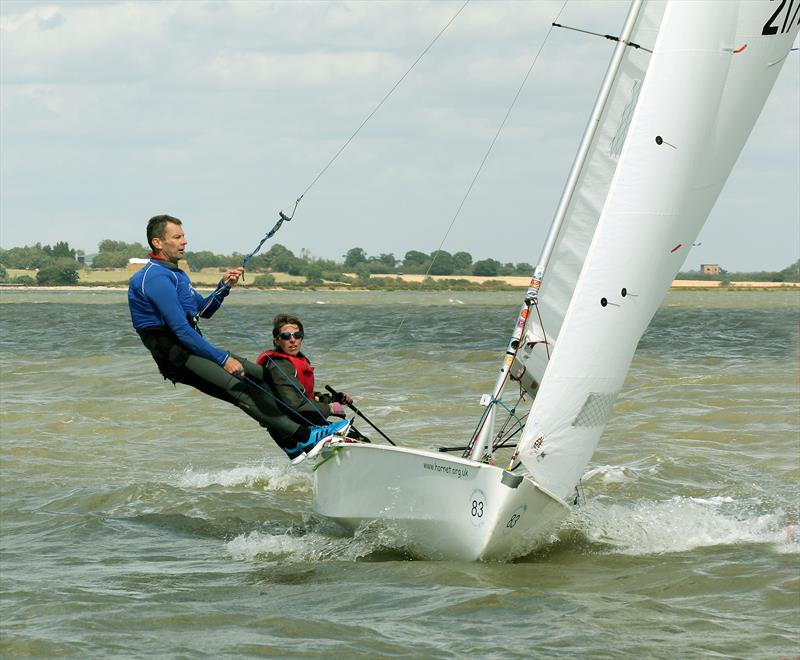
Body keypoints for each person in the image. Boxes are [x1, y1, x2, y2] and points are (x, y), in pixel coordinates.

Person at [128, 214, 346, 462]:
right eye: (177, 237)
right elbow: (181, 330)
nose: (184, 241)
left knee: (265, 377)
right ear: (158, 242)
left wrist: (224, 288)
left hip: (190, 347)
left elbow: (202, 311)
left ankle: (295, 442)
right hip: (176, 355)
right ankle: (305, 435)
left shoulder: (177, 274)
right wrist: (223, 360)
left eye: (183, 236)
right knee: (241, 388)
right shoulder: (154, 278)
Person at [257, 314, 353, 454]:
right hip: (290, 433)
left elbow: (304, 396)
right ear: (277, 341)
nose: (292, 340)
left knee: (351, 435)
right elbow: (294, 404)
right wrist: (330, 408)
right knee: (348, 434)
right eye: (286, 336)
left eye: (297, 335)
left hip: (301, 422)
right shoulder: (279, 366)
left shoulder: (295, 361)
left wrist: (335, 399)